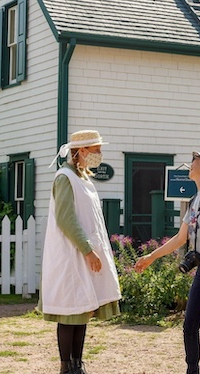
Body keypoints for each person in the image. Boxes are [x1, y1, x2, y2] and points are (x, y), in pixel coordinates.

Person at [135, 148, 200, 374]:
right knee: (189, 324)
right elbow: (180, 238)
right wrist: (151, 257)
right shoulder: (195, 200)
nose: (190, 163)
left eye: (196, 159)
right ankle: (192, 370)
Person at [39, 130, 121, 374]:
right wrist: (87, 249)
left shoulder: (84, 178)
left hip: (83, 253)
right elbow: (66, 219)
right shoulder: (64, 177)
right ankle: (66, 366)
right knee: (69, 312)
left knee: (83, 310)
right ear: (82, 151)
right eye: (96, 151)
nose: (100, 155)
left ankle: (78, 364)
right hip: (70, 254)